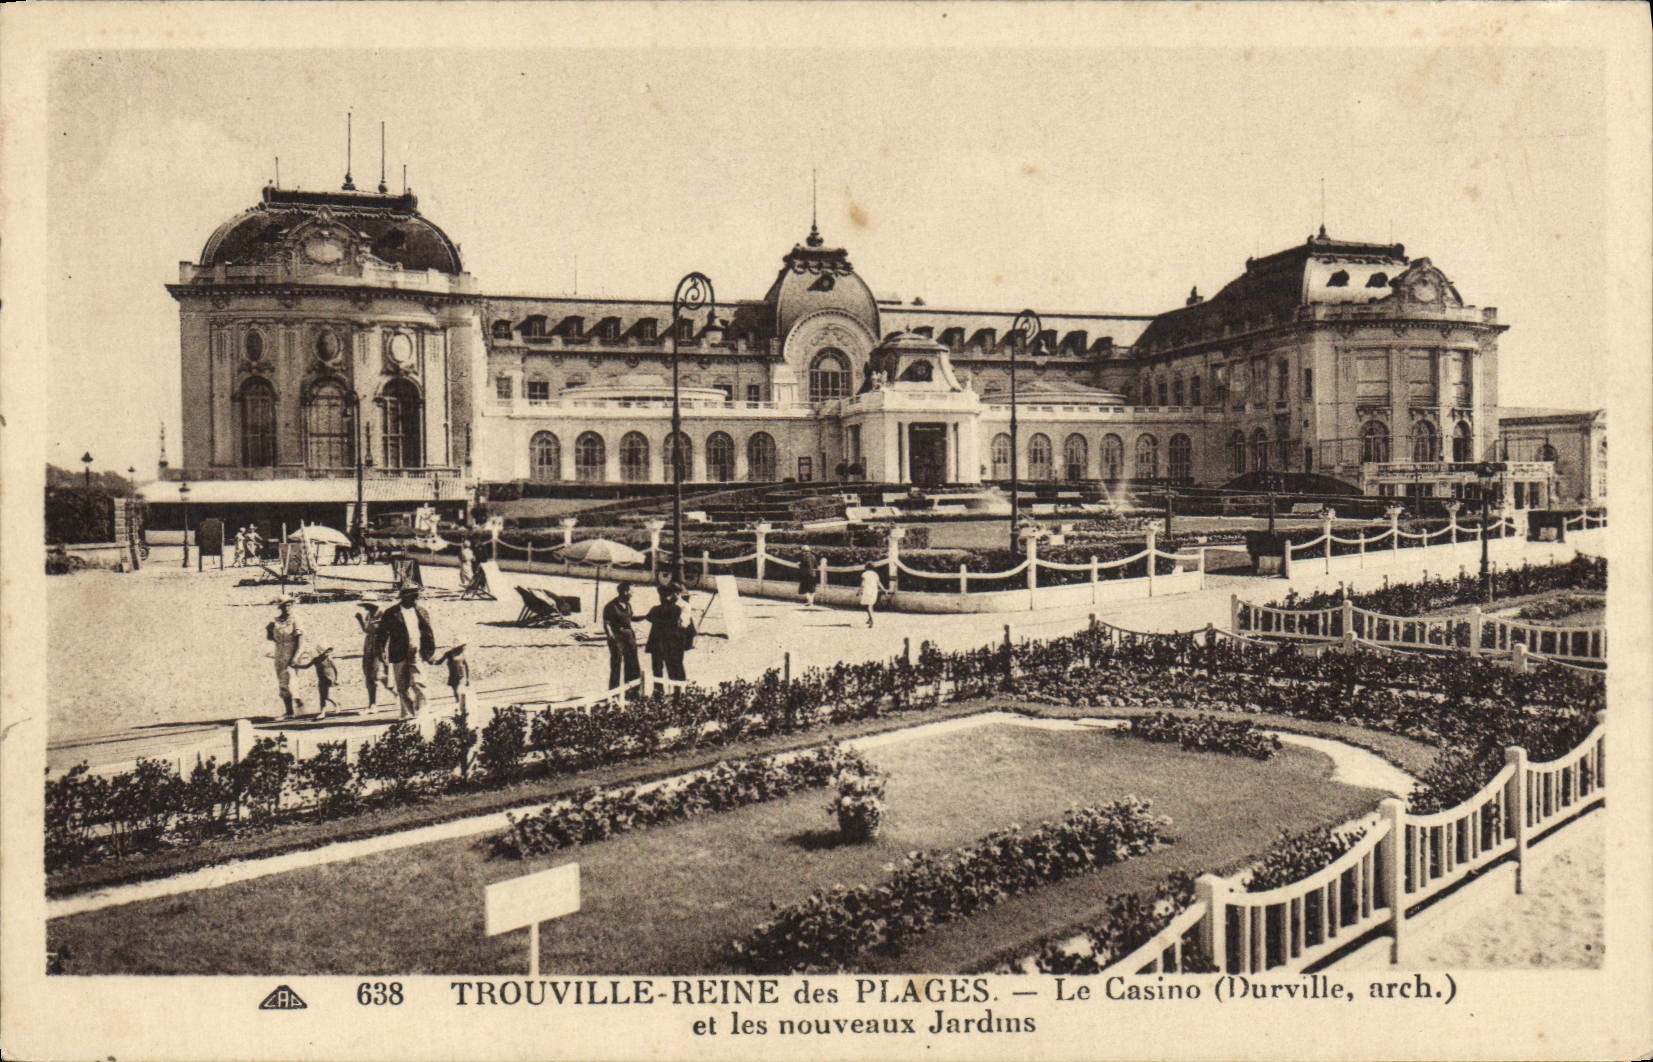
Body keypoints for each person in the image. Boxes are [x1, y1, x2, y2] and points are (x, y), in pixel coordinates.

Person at [374, 584, 436, 720]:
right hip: (398, 652)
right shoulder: (391, 613)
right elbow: (382, 634)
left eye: (416, 596)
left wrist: (430, 652)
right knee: (402, 684)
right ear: (404, 597)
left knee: (419, 681)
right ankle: (407, 712)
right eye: (412, 596)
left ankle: (422, 710)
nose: (415, 599)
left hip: (416, 651)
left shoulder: (421, 611)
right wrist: (381, 651)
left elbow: (428, 632)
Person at [265, 596, 304, 718]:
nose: (287, 608)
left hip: (291, 650)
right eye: (285, 606)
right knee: (282, 682)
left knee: (291, 680)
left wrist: (296, 656)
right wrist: (269, 631)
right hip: (279, 652)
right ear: (281, 608)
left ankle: (298, 704)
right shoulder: (276, 621)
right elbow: (271, 638)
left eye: (289, 605)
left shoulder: (295, 620)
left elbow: (300, 639)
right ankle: (289, 711)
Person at [643, 585, 691, 684]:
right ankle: (662, 692)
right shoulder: (662, 608)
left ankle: (678, 691)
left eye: (669, 594)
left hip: (676, 641)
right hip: (663, 641)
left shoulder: (682, 606)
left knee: (675, 667)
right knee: (660, 668)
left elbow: (683, 624)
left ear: (677, 594)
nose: (665, 597)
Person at [602, 582, 642, 696]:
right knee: (616, 665)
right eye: (631, 592)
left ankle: (632, 692)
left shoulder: (628, 605)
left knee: (632, 664)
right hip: (617, 638)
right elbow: (606, 624)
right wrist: (611, 637)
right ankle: (614, 693)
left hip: (629, 637)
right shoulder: (611, 606)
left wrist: (646, 616)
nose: (632, 594)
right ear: (625, 592)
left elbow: (631, 618)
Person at [355, 603, 389, 709]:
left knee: (377, 674)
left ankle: (396, 691)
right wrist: (360, 621)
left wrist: (382, 648)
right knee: (369, 674)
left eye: (366, 605)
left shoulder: (382, 614)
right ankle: (372, 703)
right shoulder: (369, 615)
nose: (365, 607)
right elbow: (367, 630)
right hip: (369, 646)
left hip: (379, 646)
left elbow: (385, 630)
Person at [298, 646, 340, 719]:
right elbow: (307, 666)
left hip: (330, 679)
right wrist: (296, 666)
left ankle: (336, 705)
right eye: (326, 651)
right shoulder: (316, 660)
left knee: (327, 696)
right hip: (321, 679)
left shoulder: (329, 659)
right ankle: (323, 712)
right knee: (322, 697)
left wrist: (336, 679)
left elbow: (335, 669)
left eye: (328, 652)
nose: (327, 653)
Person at [436, 644, 471, 708]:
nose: (463, 648)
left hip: (461, 676)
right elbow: (440, 661)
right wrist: (432, 661)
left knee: (460, 691)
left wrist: (468, 678)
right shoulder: (449, 653)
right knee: (456, 692)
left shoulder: (463, 654)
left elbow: (467, 666)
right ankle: (459, 705)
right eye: (462, 646)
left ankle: (462, 706)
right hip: (453, 676)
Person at [859, 562, 886, 629]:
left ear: (866, 567)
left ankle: (872, 620)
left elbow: (862, 584)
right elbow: (879, 583)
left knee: (867, 606)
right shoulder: (875, 574)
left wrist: (859, 591)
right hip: (874, 591)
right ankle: (870, 619)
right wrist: (884, 590)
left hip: (867, 591)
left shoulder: (864, 574)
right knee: (870, 605)